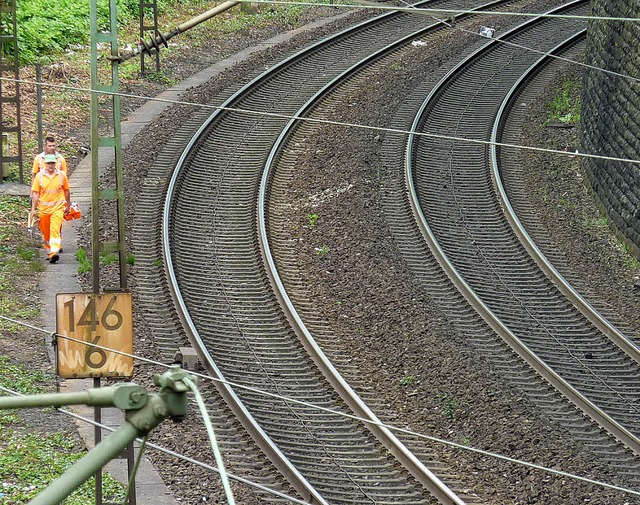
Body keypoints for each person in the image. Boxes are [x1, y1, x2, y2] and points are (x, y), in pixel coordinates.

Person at [30, 154, 71, 264]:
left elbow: (66, 190)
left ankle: (54, 252)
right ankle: (49, 251)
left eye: (52, 163)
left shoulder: (62, 175)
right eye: (49, 163)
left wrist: (68, 204)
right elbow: (35, 193)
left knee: (55, 229)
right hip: (44, 209)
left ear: (55, 163)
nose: (51, 165)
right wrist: (33, 209)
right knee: (46, 230)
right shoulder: (39, 176)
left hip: (58, 208)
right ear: (45, 164)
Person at [32, 136, 68, 251]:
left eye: (54, 146)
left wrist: (67, 201)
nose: (52, 148)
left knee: (57, 223)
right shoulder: (39, 159)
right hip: (44, 198)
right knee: (45, 225)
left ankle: (56, 246)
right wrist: (32, 195)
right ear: (45, 146)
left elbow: (64, 178)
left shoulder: (60, 159)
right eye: (50, 146)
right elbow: (35, 177)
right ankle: (51, 244)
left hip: (58, 198)